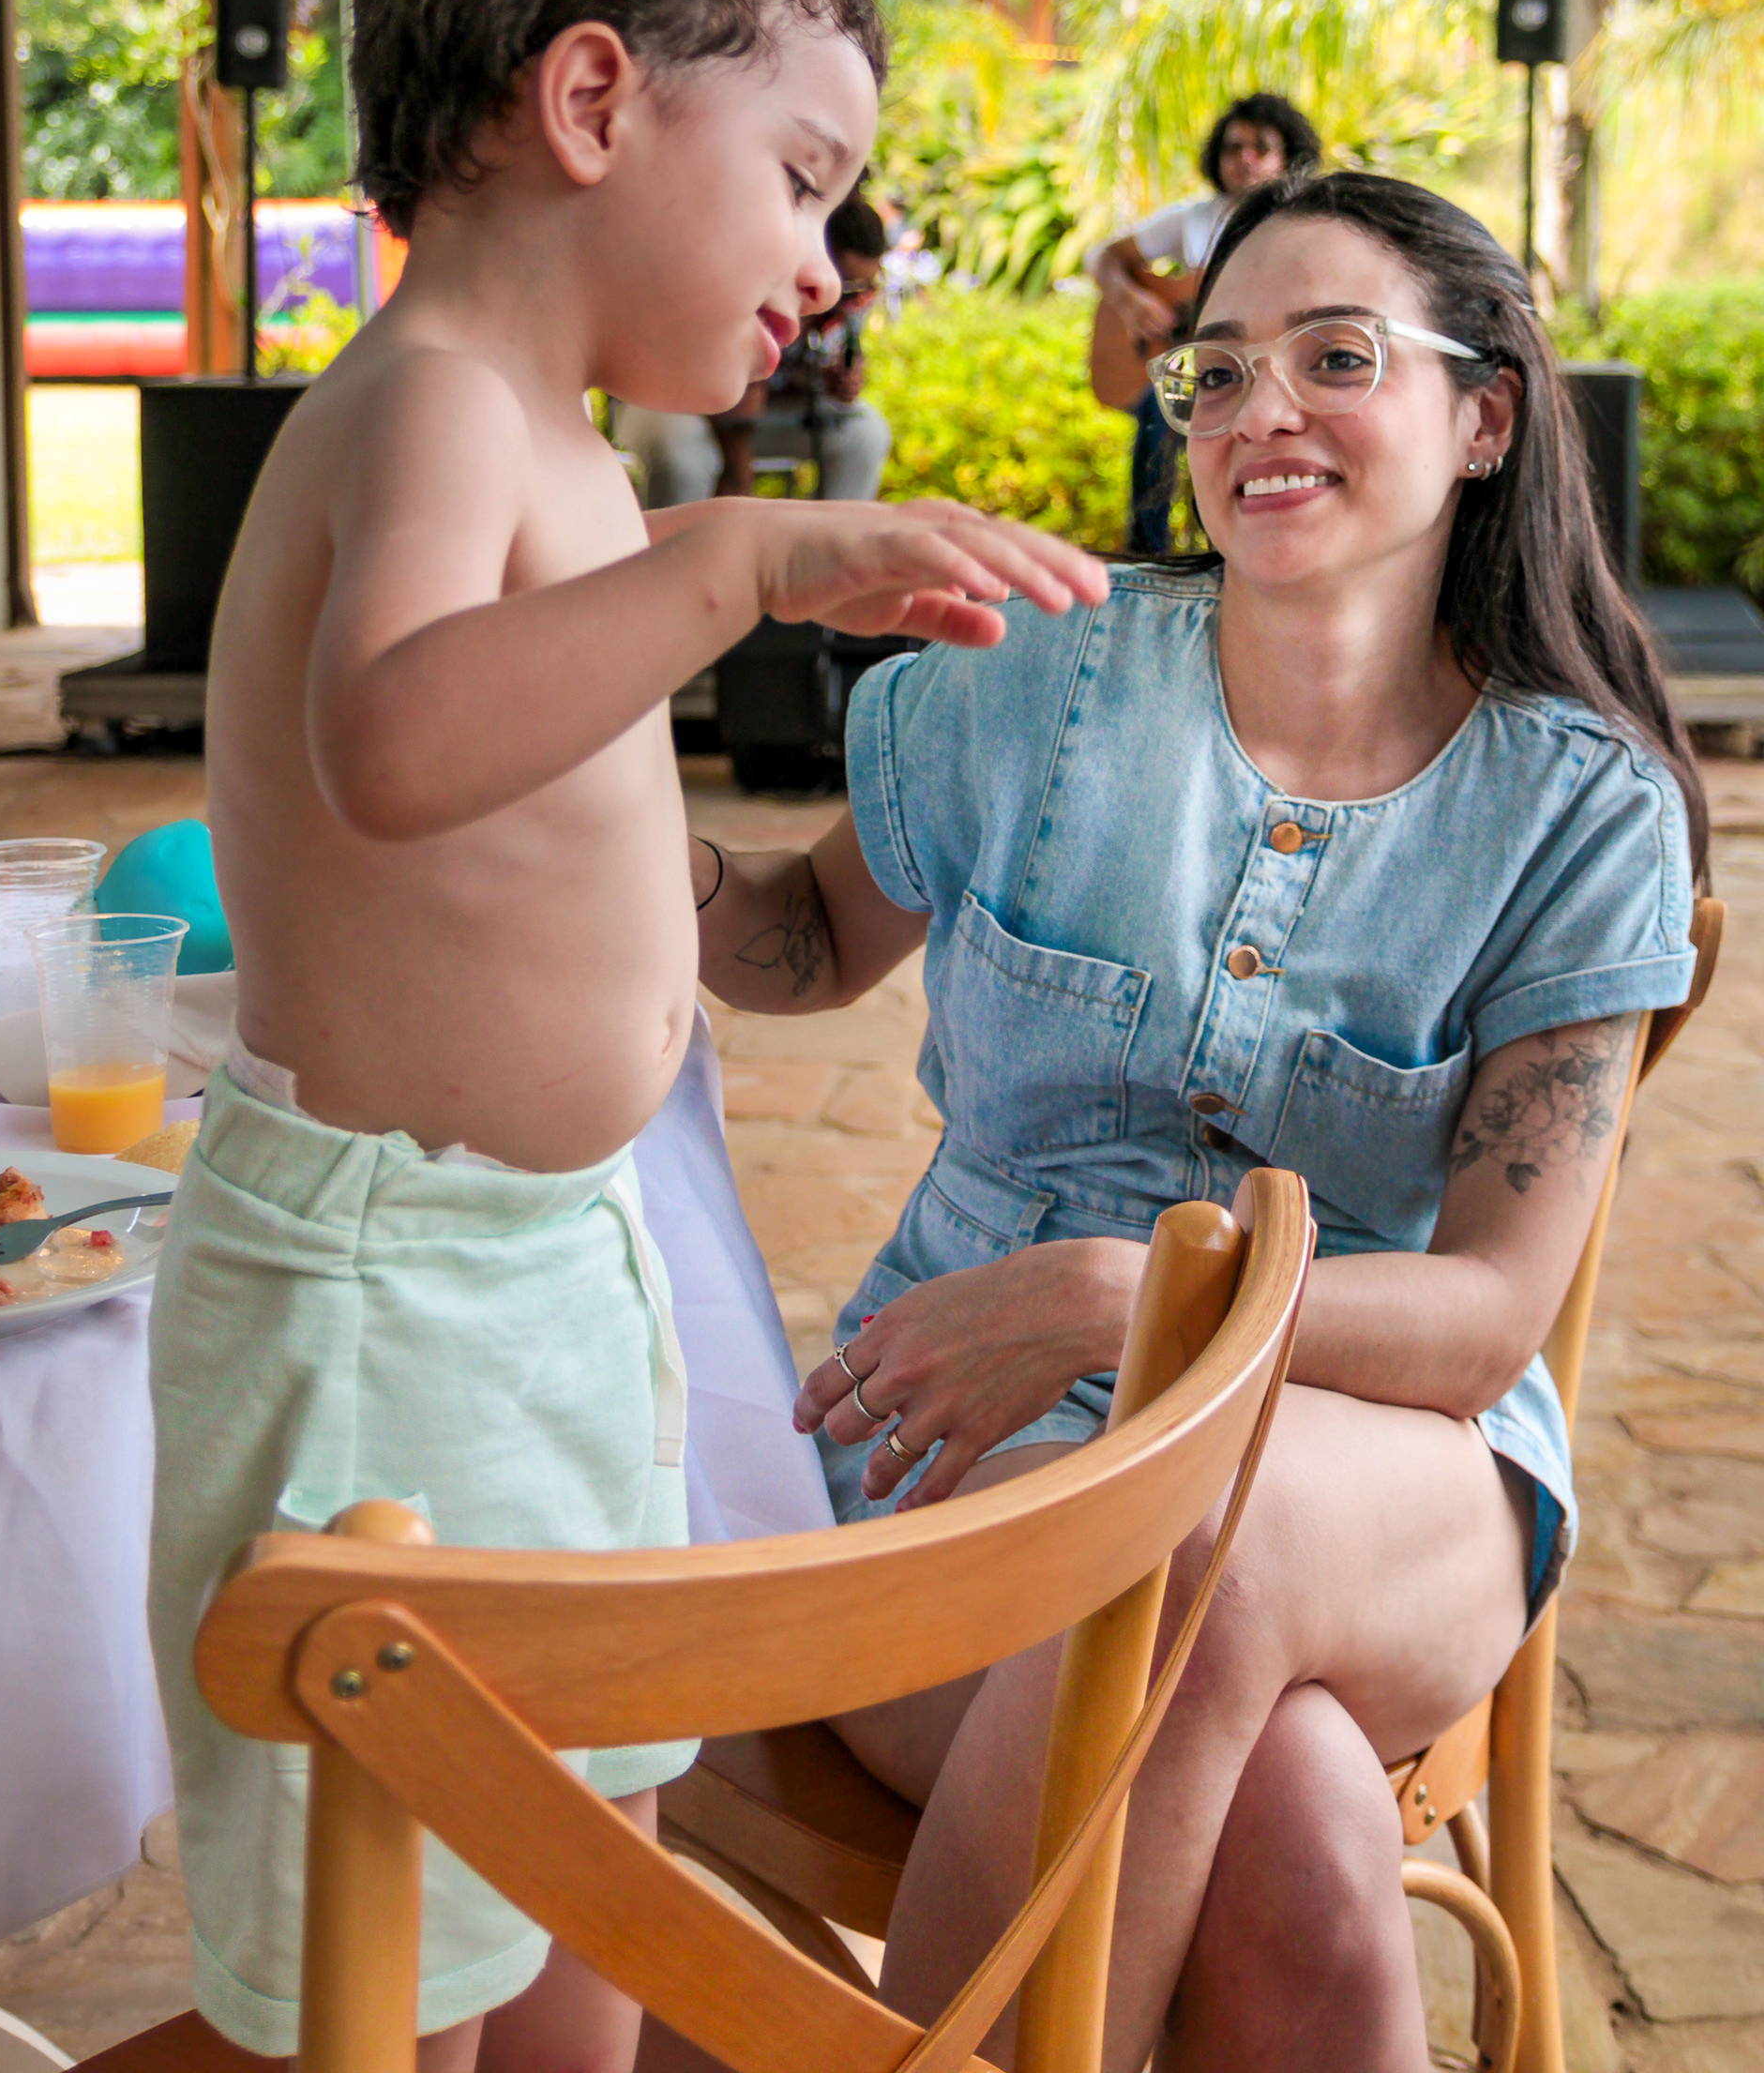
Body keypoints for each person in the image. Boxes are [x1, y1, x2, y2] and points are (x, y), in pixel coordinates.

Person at [143, 0, 1108, 2073]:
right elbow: (389, 739)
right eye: (798, 174)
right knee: (392, 1917)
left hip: (544, 1266)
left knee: (580, 1837)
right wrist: (744, 568)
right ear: (589, 98)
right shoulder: (432, 408)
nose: (825, 249)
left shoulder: (563, 445)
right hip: (380, 1301)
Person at [694, 172, 1702, 2073]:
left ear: (1485, 414)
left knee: (1191, 1541)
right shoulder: (1047, 681)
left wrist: (1119, 1302)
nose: (1262, 412)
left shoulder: (1580, 813)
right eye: (1217, 371)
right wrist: (593, 828)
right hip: (978, 1459)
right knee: (1297, 1818)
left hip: (1396, 1467)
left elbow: (1484, 1319)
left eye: (1339, 358)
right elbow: (810, 938)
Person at [1088, 93, 1320, 552]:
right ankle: (1146, 555)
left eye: (1261, 147)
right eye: (1233, 148)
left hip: (1268, 378)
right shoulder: (1193, 220)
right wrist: (1132, 303)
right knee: (1161, 407)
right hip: (1197, 376)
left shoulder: (1303, 224)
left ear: (1289, 156)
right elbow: (1103, 256)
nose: (1244, 159)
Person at [616, 191, 894, 506]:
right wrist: (738, 471)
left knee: (865, 434)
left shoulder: (851, 300)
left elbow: (834, 364)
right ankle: (670, 552)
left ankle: (829, 548)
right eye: (846, 285)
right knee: (684, 458)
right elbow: (735, 376)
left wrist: (839, 381)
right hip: (678, 402)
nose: (850, 297)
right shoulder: (753, 270)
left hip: (768, 416)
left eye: (864, 286)